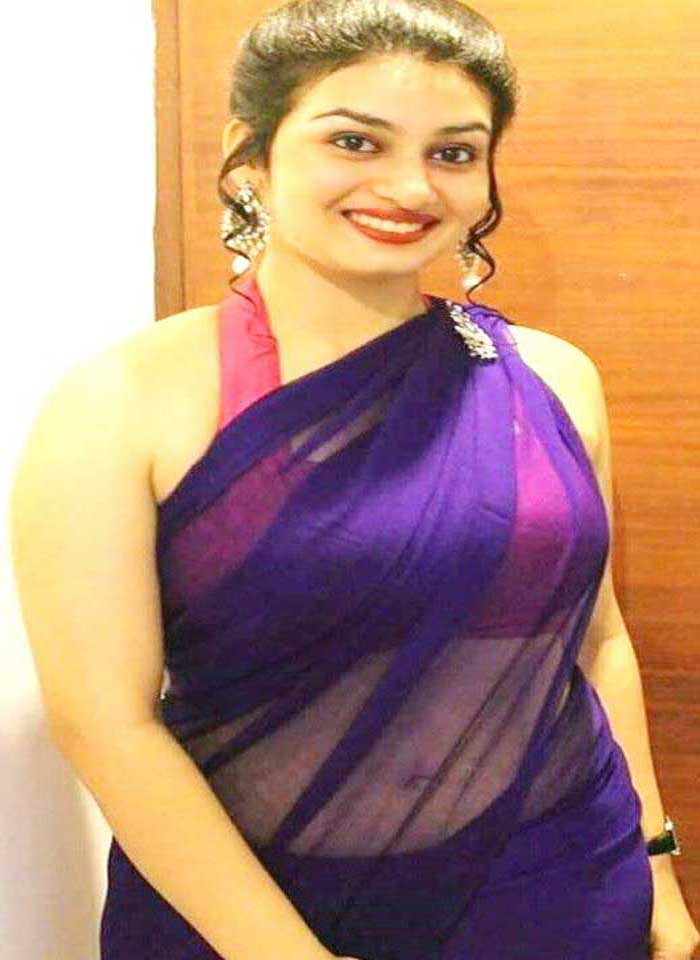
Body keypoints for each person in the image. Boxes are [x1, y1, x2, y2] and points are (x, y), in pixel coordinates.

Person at [9, 1, 699, 959]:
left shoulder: (554, 378)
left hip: (560, 890)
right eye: (355, 140)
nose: (410, 186)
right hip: (249, 912)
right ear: (251, 152)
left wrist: (656, 867)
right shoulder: (120, 402)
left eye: (453, 153)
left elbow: (596, 640)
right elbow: (105, 723)